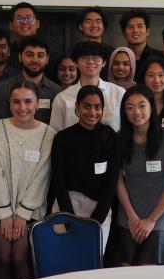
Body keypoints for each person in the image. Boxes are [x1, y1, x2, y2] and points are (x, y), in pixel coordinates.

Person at [0, 80, 55, 279]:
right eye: (17, 102)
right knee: (4, 258)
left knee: (20, 258)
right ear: (10, 103)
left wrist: (23, 213)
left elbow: (43, 176)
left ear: (37, 104)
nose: (22, 107)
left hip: (31, 209)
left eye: (28, 101)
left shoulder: (49, 134)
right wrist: (5, 213)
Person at [112, 86, 164, 266]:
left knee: (149, 274)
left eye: (142, 106)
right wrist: (132, 217)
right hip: (129, 217)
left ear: (152, 107)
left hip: (159, 219)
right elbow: (118, 181)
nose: (136, 112)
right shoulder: (119, 140)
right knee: (124, 273)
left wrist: (151, 220)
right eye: (130, 107)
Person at [49, 85, 118, 255]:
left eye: (97, 107)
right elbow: (59, 181)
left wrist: (95, 221)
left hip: (99, 209)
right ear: (77, 107)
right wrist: (69, 220)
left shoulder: (111, 137)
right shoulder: (63, 139)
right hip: (66, 206)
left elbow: (112, 182)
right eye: (87, 106)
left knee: (91, 264)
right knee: (63, 262)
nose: (92, 112)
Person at [49, 41, 125, 132]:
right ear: (76, 62)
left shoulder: (118, 93)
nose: (91, 61)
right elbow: (55, 133)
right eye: (84, 57)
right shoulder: (62, 98)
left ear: (104, 62)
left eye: (96, 57)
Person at [0, 36, 61, 123]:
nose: (35, 60)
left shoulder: (57, 93)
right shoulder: (4, 89)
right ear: (20, 57)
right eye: (30, 55)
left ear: (47, 59)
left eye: (40, 55)